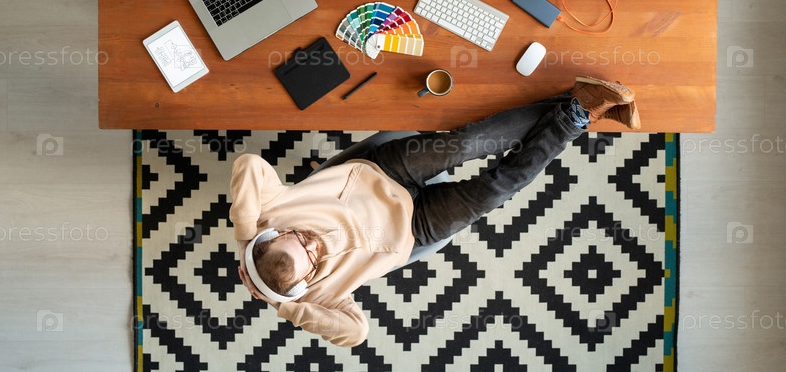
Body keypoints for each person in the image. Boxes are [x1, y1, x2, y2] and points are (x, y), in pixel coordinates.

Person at [229, 76, 640, 347]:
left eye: (298, 238)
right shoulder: (317, 298)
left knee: (467, 144)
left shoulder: (269, 216)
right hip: (413, 229)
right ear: (302, 284)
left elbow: (247, 164)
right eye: (311, 257)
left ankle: (579, 110)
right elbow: (356, 333)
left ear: (274, 236)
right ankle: (577, 108)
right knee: (497, 190)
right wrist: (288, 309)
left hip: (383, 171)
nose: (311, 243)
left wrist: (245, 234)